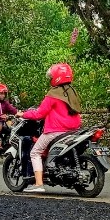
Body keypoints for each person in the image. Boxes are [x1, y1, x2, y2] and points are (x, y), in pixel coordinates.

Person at [20, 63, 82, 193]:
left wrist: (23, 114)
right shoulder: (72, 92)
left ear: (56, 77)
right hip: (74, 130)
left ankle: (38, 184)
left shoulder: (53, 94)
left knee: (35, 152)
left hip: (55, 131)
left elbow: (39, 114)